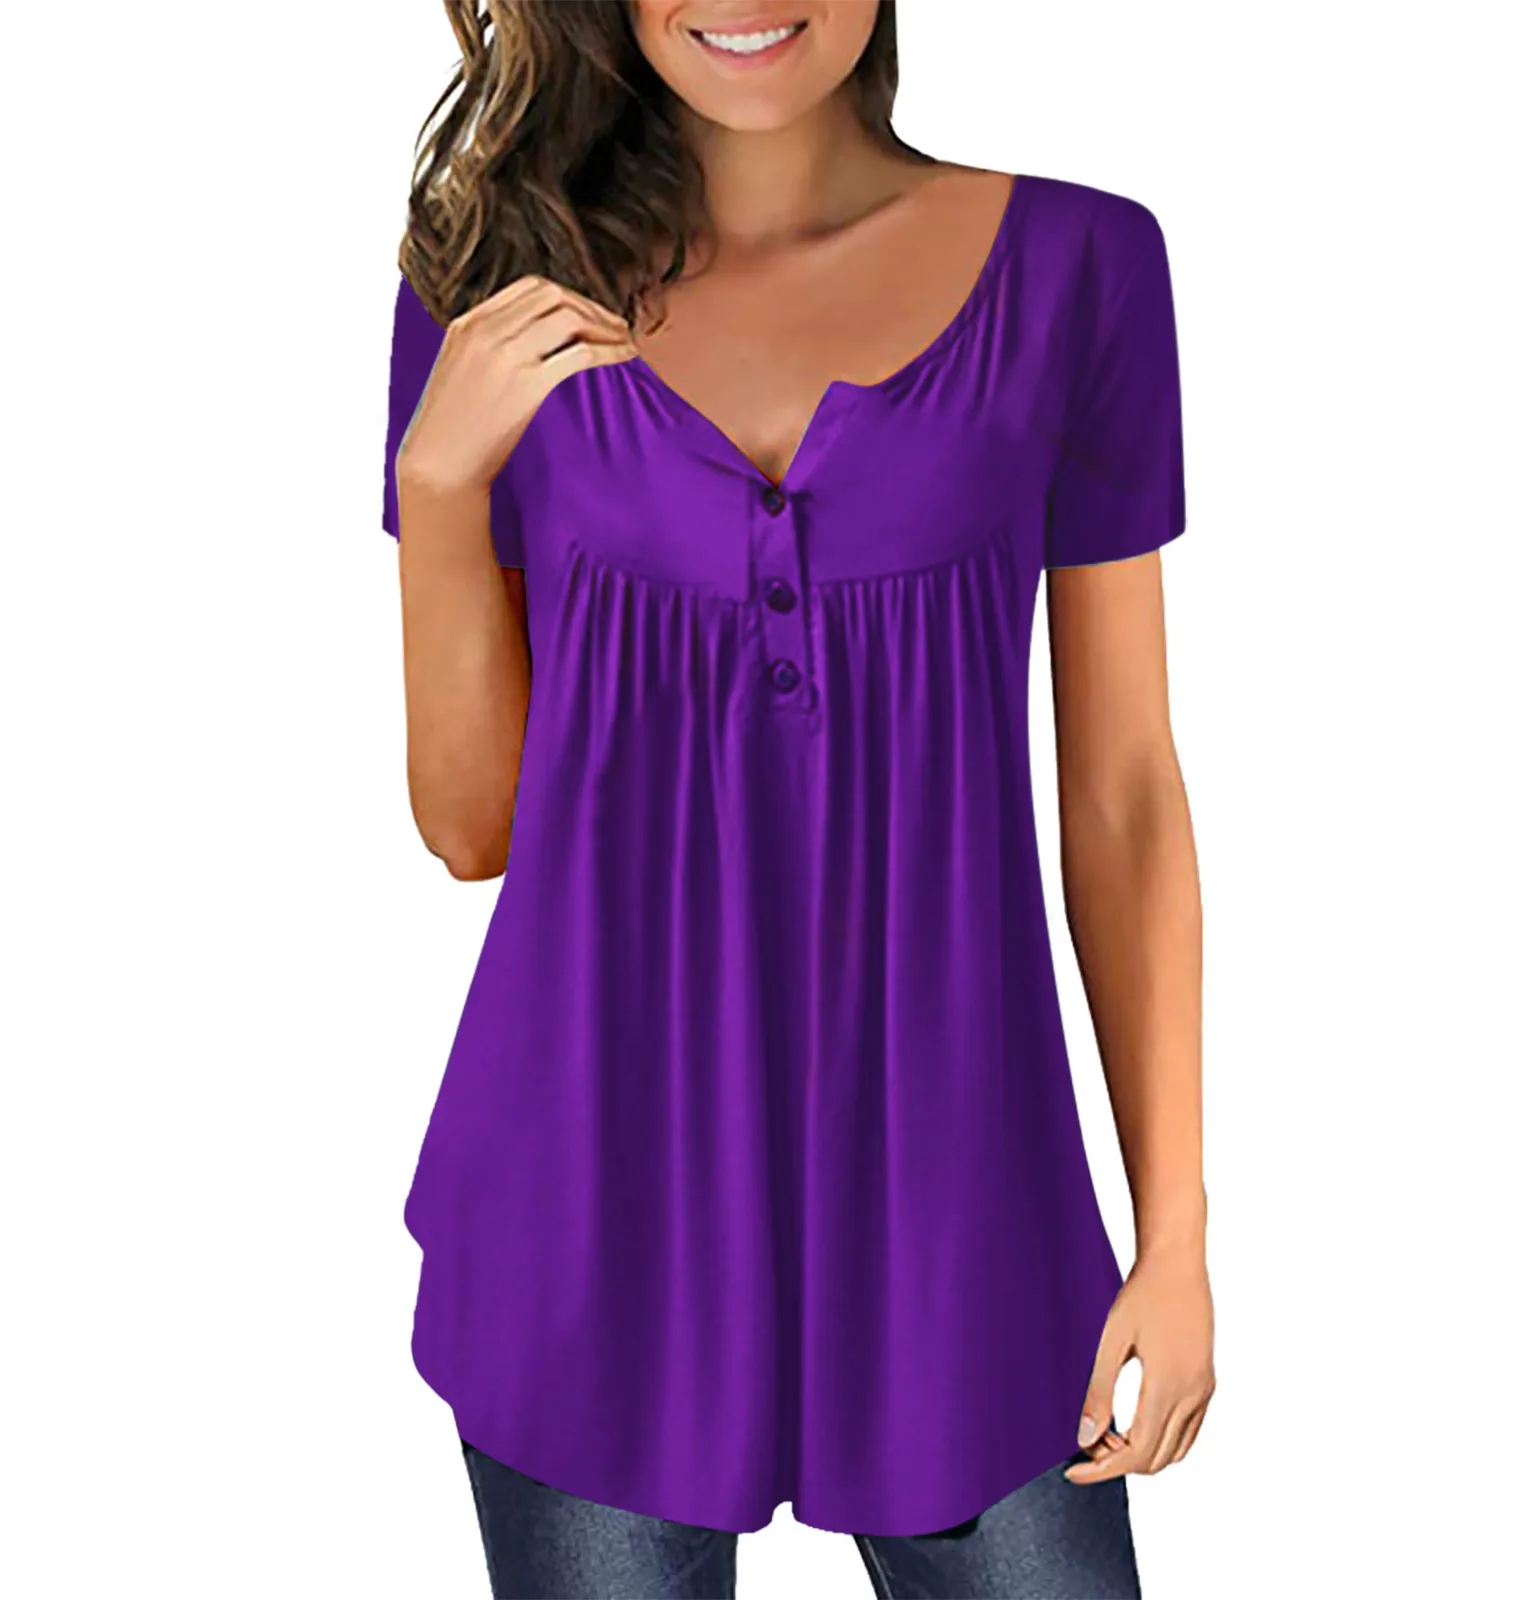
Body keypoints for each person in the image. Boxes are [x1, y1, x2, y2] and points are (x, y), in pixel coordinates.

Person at [379, 3, 1212, 1595]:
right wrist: (439, 488)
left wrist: (1173, 1235)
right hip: (590, 1206)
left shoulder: (1080, 271)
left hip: (964, 1205)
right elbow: (473, 829)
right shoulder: (487, 291)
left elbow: (1122, 796)